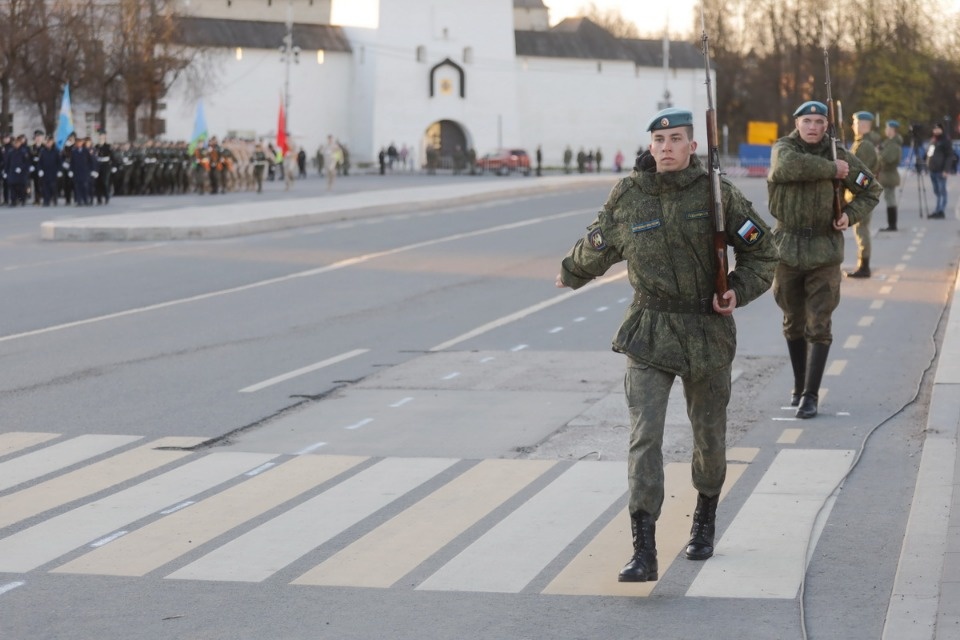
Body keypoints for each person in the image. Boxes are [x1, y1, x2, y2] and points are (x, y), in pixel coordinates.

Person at [556, 107, 777, 583]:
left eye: (676, 139)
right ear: (650, 146)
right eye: (659, 141)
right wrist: (571, 271)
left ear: (693, 146)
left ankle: (704, 519)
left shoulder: (718, 195)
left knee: (709, 436)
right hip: (650, 328)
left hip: (706, 330)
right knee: (644, 437)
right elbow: (600, 242)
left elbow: (764, 250)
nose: (667, 148)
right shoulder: (631, 194)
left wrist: (737, 289)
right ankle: (644, 546)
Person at [768, 101, 881, 419]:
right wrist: (832, 170)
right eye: (807, 121)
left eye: (819, 121)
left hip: (825, 249)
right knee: (793, 322)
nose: (814, 127)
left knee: (819, 323)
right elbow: (786, 169)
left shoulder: (841, 155)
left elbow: (871, 189)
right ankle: (798, 383)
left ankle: (810, 395)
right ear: (797, 123)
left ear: (828, 124)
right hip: (787, 246)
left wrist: (849, 214)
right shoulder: (784, 148)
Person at [845, 111, 882, 278]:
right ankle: (863, 264)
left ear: (863, 125)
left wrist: (854, 190)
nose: (853, 126)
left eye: (855, 123)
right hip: (860, 194)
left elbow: (861, 172)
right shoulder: (862, 143)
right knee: (861, 230)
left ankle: (864, 266)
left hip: (861, 195)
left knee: (862, 230)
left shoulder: (865, 146)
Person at [877, 120, 904, 231]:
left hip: (889, 175)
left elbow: (889, 159)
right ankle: (891, 224)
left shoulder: (893, 144)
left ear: (892, 130)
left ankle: (892, 225)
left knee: (890, 199)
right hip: (887, 175)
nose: (886, 130)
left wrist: (879, 153)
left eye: (887, 128)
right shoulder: (890, 143)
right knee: (889, 198)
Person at [926, 122, 952, 219]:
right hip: (933, 169)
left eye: (938, 129)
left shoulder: (945, 140)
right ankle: (937, 209)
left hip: (941, 170)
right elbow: (929, 153)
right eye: (935, 129)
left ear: (942, 130)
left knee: (942, 191)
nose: (936, 131)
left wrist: (946, 170)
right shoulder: (933, 140)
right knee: (936, 191)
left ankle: (941, 210)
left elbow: (949, 156)